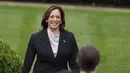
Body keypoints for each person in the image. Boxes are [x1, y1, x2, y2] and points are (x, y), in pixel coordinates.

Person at [21, 5, 79, 73]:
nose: (55, 20)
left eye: (58, 17)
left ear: (61, 20)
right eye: (51, 17)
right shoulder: (35, 38)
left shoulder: (69, 37)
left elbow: (75, 65)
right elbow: (27, 65)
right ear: (46, 19)